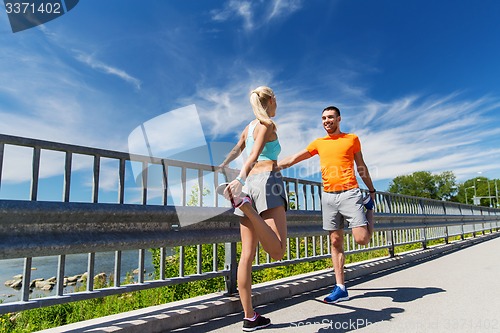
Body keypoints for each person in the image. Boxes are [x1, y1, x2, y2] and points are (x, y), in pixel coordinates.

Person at [277, 105, 376, 304]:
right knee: (335, 242)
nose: (326, 121)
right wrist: (269, 166)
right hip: (328, 197)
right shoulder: (319, 143)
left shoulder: (352, 139)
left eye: (330, 117)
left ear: (339, 119)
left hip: (350, 193)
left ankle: (369, 207)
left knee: (362, 239)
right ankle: (340, 288)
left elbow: (361, 165)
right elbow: (294, 158)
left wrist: (371, 190)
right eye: (323, 118)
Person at [218, 86, 287, 331]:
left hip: (247, 187)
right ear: (270, 101)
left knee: (246, 255)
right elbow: (254, 154)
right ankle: (247, 208)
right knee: (278, 251)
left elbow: (239, 148)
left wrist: (224, 165)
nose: (277, 103)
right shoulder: (266, 125)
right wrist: (240, 179)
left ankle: (249, 317)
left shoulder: (249, 127)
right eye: (276, 99)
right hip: (266, 182)